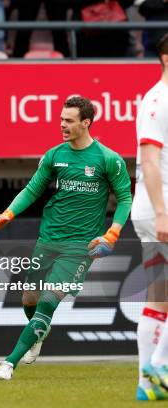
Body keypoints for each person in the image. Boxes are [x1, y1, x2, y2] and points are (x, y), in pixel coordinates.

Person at [0, 96, 132, 380]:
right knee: (29, 298)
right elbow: (32, 189)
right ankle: (38, 333)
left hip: (81, 246)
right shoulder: (54, 155)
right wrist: (8, 214)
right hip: (49, 238)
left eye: (69, 121)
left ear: (86, 123)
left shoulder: (108, 159)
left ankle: (9, 363)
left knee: (47, 302)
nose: (62, 125)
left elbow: (125, 198)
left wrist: (113, 231)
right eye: (61, 119)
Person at [131, 33, 168, 401]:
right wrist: (162, 212)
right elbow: (149, 159)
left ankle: (145, 385)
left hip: (154, 208)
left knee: (160, 297)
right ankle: (160, 362)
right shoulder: (158, 101)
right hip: (162, 207)